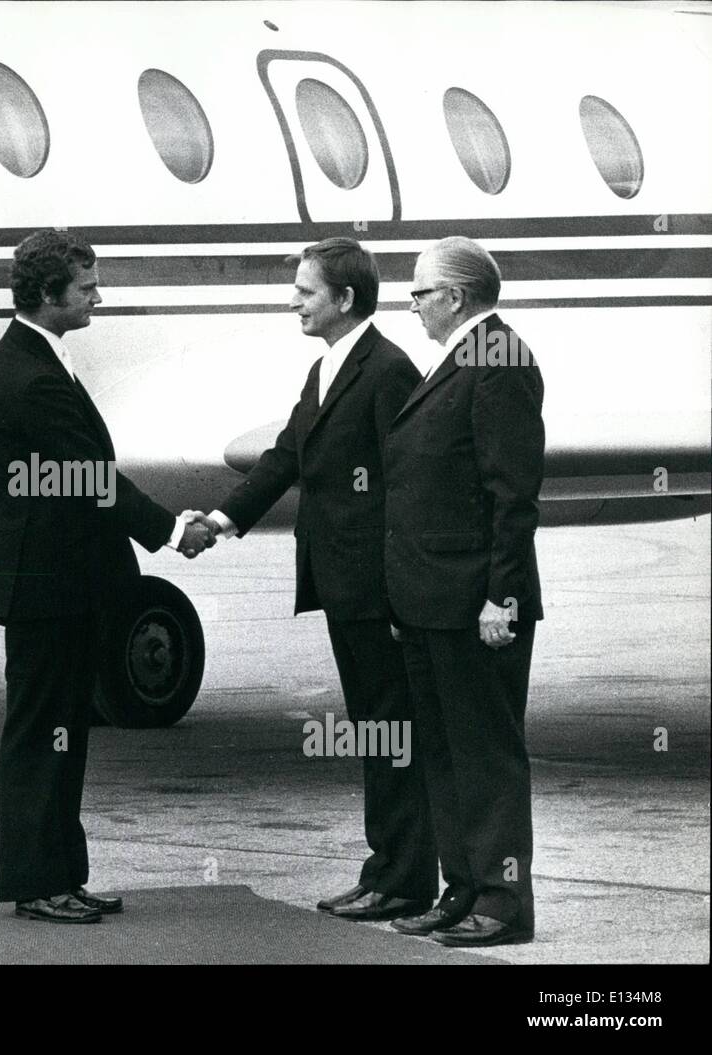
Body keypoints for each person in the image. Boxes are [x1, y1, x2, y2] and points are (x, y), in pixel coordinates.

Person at [0, 229, 213, 924]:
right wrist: (175, 530)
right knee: (40, 732)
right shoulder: (28, 373)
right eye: (86, 287)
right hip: (44, 580)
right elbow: (92, 481)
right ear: (47, 294)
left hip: (62, 576)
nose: (98, 297)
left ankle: (62, 873)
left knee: (64, 728)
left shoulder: (36, 356)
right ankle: (36, 882)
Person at [189, 238, 436, 921]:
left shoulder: (386, 371)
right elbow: (282, 459)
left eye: (306, 290)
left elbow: (411, 487)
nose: (294, 300)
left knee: (393, 731)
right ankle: (384, 867)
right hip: (341, 584)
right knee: (374, 730)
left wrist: (401, 592)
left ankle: (408, 879)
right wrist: (218, 520)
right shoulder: (327, 369)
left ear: (345, 298)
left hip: (378, 591)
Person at [384, 236, 544, 947]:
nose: (413, 303)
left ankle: (504, 900)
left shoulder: (500, 360)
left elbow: (512, 495)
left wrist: (500, 597)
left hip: (475, 601)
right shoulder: (456, 359)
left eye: (420, 292)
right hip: (429, 599)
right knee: (444, 752)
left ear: (454, 296)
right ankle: (464, 888)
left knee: (486, 754)